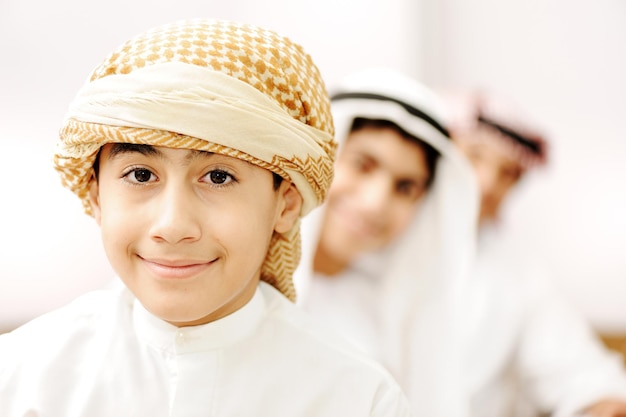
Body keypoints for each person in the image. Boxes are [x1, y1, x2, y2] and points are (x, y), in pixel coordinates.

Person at [0, 19, 412, 417]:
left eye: (218, 176)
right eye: (140, 175)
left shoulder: (358, 400)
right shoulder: (21, 377)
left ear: (284, 206)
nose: (173, 225)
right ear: (96, 196)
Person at [294, 68, 481, 417]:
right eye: (363, 165)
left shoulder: (393, 319)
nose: (375, 202)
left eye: (405, 187)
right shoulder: (230, 292)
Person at [442, 89, 626, 417]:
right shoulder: (358, 249)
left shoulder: (518, 274)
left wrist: (604, 404)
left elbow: (584, 378)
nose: (486, 183)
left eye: (507, 174)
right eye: (474, 156)